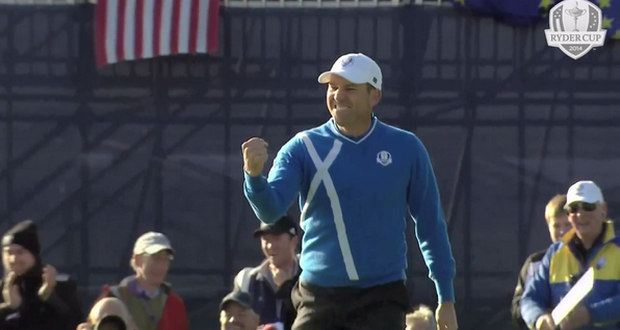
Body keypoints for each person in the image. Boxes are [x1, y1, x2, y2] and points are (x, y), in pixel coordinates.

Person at [241, 52, 458, 330]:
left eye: (350, 89)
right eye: (333, 87)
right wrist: (254, 176)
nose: (338, 96)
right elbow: (271, 210)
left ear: (374, 96)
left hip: (383, 297)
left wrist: (446, 298)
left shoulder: (407, 148)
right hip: (319, 296)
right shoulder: (302, 147)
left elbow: (430, 226)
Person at [520, 180, 620, 330]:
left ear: (603, 209)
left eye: (588, 207)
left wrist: (589, 314)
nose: (580, 214)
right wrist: (538, 318)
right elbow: (529, 299)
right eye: (573, 209)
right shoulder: (555, 253)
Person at [0, 219, 83, 330]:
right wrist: (9, 308)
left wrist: (50, 297)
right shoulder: (4, 289)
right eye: (9, 253)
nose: (13, 259)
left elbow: (74, 323)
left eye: (20, 252)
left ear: (34, 254)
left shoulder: (61, 285)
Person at [98, 231, 189, 330]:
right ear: (137, 260)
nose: (161, 266)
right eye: (156, 258)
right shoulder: (113, 299)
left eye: (166, 259)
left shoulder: (175, 304)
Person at [511, 194, 571, 328]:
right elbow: (518, 306)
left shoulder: (590, 258)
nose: (562, 231)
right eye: (556, 225)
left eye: (567, 224)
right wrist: (540, 314)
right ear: (548, 226)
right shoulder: (534, 263)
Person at [234, 215, 300, 330]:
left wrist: (287, 288)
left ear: (293, 241)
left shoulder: (310, 277)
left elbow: (314, 318)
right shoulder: (247, 279)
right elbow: (237, 323)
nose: (270, 246)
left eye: (276, 238)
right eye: (266, 239)